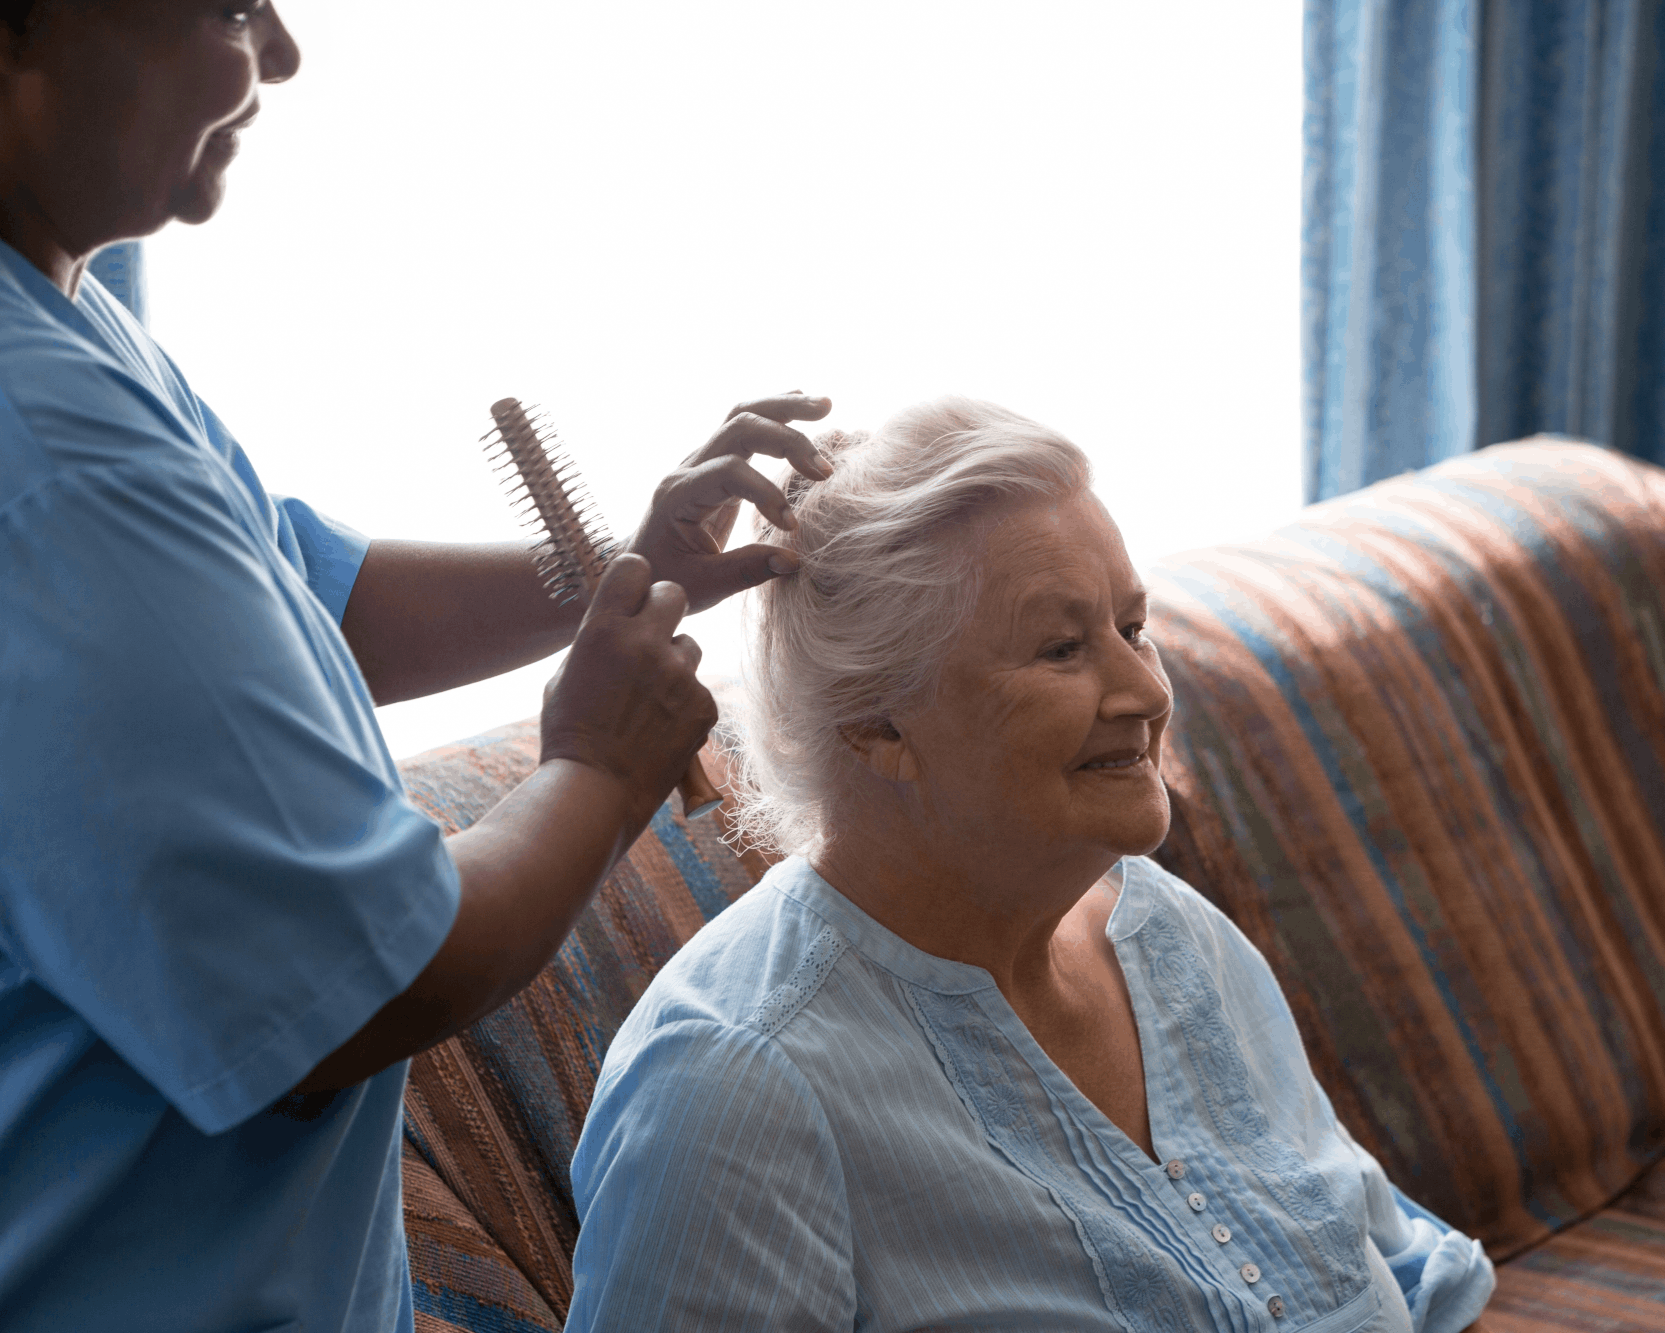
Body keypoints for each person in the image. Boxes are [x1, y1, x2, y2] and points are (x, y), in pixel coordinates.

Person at [0, 3, 831, 1329]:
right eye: (231, 8)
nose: (279, 57)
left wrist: (621, 562)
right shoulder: (41, 448)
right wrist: (601, 772)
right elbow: (356, 990)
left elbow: (286, 599)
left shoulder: (63, 304)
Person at [565, 398, 1496, 1331]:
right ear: (878, 723)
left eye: (1133, 627)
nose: (1145, 690)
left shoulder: (1167, 932)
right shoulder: (736, 1089)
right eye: (1061, 649)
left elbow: (1406, 1272)